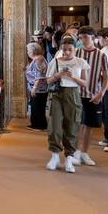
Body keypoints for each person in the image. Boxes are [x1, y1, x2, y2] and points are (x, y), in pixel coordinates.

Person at [46, 35, 87, 173]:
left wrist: (73, 76)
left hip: (73, 94)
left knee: (72, 125)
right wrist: (58, 75)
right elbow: (48, 81)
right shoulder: (55, 61)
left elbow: (84, 83)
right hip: (57, 95)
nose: (67, 52)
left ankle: (69, 158)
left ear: (75, 49)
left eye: (70, 49)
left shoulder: (80, 62)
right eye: (64, 49)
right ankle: (55, 156)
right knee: (55, 125)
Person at [73, 27, 105, 166]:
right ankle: (75, 152)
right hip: (77, 94)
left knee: (89, 126)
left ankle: (84, 152)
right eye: (80, 37)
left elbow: (106, 77)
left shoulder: (101, 54)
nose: (83, 40)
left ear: (93, 37)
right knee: (77, 124)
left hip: (93, 94)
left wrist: (101, 93)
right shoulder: (76, 52)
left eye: (85, 37)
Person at [25, 41, 48, 130]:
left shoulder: (39, 61)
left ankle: (39, 125)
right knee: (36, 107)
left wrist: (34, 89)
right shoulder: (37, 60)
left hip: (39, 89)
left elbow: (39, 77)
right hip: (38, 88)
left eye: (28, 51)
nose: (27, 52)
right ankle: (38, 124)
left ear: (32, 52)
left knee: (37, 107)